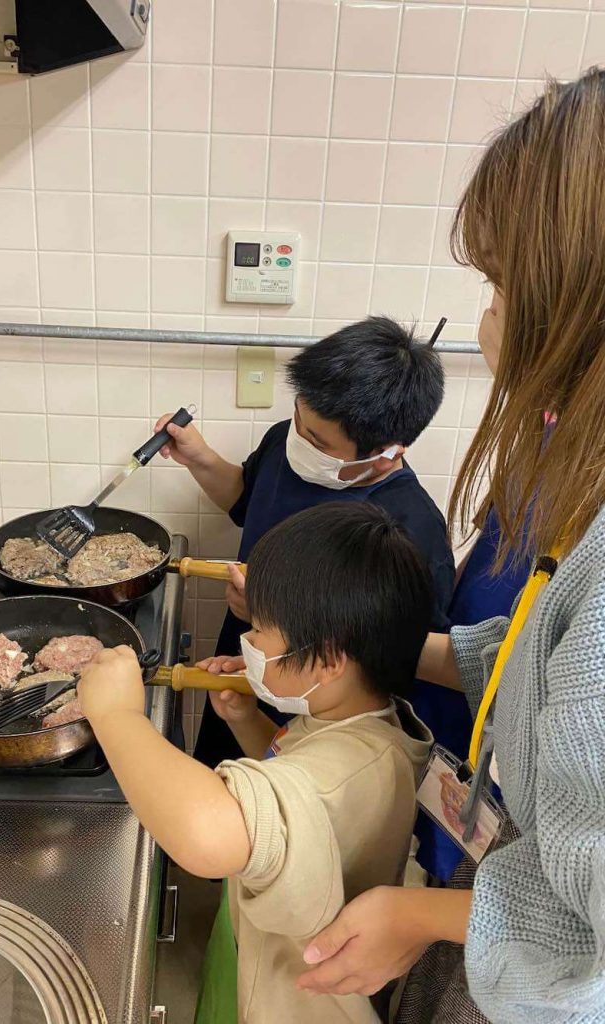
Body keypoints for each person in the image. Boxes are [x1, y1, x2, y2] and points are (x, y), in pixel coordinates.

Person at [296, 68, 605, 1024]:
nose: (490, 320)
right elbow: (542, 664)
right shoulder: (578, 478)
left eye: (505, 285)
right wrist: (383, 650)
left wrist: (425, 915)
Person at [77, 502, 434, 1024]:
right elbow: (302, 786)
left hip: (294, 1002)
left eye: (262, 630)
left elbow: (210, 833)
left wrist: (118, 716)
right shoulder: (358, 719)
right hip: (261, 949)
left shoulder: (354, 768)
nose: (249, 644)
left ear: (330, 659)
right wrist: (249, 722)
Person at [154, 316, 454, 767]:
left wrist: (274, 614)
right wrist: (200, 459)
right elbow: (245, 500)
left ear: (390, 451)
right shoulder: (287, 441)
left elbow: (397, 664)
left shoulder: (410, 532)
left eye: (317, 439)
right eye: (298, 415)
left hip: (319, 734)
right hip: (240, 678)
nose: (299, 439)